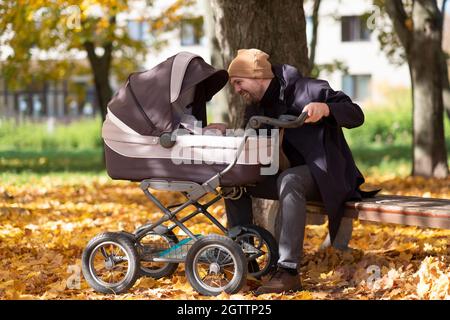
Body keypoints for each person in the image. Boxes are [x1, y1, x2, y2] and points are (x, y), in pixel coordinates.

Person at [221, 49, 378, 295]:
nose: (237, 89)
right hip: (286, 175)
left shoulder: (309, 90)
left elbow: (356, 114)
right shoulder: (256, 108)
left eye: (239, 82)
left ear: (258, 76)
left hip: (327, 174)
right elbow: (250, 151)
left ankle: (288, 271)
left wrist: (326, 109)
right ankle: (244, 258)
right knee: (234, 182)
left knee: (289, 179)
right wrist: (221, 132)